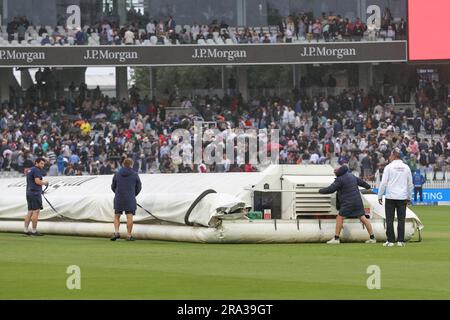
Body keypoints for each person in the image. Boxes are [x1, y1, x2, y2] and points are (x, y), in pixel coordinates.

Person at [319, 165, 376, 244]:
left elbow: (331, 189)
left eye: (335, 171)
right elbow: (361, 182)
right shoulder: (351, 175)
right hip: (357, 202)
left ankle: (336, 238)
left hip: (348, 203)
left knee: (339, 218)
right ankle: (372, 238)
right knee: (363, 218)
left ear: (339, 171)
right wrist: (368, 186)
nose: (334, 172)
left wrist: (320, 191)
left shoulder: (339, 179)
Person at [378, 149, 414, 247]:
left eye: (390, 155)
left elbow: (384, 183)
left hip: (390, 196)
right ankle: (400, 241)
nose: (389, 157)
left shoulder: (389, 167)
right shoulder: (406, 167)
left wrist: (380, 195)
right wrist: (409, 196)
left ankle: (390, 240)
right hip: (402, 197)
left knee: (389, 219)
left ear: (394, 155)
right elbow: (410, 184)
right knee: (401, 219)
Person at [110, 158, 142, 241]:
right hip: (130, 198)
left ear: (123, 164)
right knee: (129, 216)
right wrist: (133, 194)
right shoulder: (135, 174)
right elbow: (139, 187)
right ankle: (128, 235)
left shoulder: (117, 174)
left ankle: (116, 232)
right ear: (131, 164)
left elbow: (113, 186)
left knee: (117, 216)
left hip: (118, 197)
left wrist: (117, 193)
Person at [24, 158, 49, 236]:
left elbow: (31, 182)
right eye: (41, 163)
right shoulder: (37, 170)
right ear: (36, 163)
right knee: (36, 211)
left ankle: (26, 230)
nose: (42, 165)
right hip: (35, 194)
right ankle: (34, 231)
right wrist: (45, 183)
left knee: (30, 212)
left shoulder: (30, 170)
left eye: (43, 164)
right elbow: (37, 181)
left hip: (29, 192)